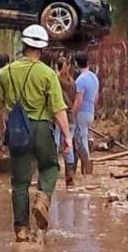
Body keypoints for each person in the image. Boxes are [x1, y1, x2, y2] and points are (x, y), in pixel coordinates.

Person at [0, 24, 72, 242]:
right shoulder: (47, 74)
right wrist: (67, 136)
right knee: (50, 167)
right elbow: (58, 108)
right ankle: (43, 196)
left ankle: (21, 229)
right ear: (42, 49)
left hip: (17, 131)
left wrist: (2, 132)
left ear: (23, 45)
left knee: (19, 182)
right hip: (41, 128)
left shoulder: (6, 72)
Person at [72, 51, 99, 176]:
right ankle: (84, 171)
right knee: (85, 140)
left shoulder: (80, 80)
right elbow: (96, 98)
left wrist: (72, 114)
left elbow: (78, 101)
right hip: (90, 112)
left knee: (81, 142)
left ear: (76, 64)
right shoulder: (94, 77)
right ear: (87, 62)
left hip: (81, 113)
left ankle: (88, 170)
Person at [53, 57, 78, 186]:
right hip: (71, 118)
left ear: (57, 66)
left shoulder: (55, 81)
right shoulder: (73, 83)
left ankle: (53, 172)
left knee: (55, 144)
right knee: (69, 146)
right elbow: (76, 100)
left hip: (59, 116)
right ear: (68, 66)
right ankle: (70, 175)